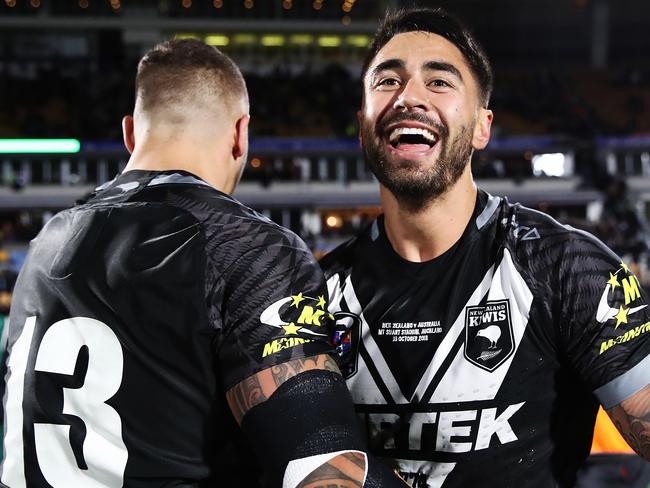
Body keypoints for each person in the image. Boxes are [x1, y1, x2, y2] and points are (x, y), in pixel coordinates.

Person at [0, 39, 406, 488]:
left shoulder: (44, 246)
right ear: (240, 134)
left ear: (131, 133)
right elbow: (321, 470)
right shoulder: (246, 246)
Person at [320, 7, 650, 488]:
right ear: (363, 123)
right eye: (387, 81)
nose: (409, 96)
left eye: (439, 82)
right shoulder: (318, 294)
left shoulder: (567, 269)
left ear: (482, 126)